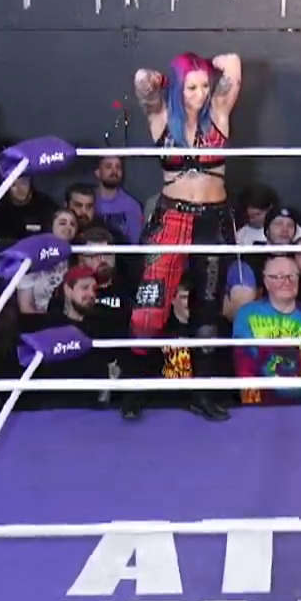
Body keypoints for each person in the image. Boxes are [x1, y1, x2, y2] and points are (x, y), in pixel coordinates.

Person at [124, 53, 245, 422]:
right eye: (191, 87)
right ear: (178, 88)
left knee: (208, 310)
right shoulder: (161, 116)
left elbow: (233, 67)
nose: (200, 93)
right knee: (149, 309)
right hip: (171, 218)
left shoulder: (219, 112)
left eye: (204, 85)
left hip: (212, 219)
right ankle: (133, 391)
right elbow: (141, 79)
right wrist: (162, 81)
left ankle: (201, 395)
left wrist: (215, 64)